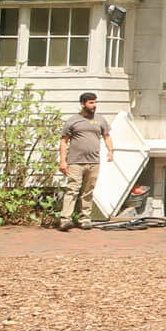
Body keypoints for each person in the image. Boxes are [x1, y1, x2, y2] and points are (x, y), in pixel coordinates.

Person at [56, 91, 113, 232]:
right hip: (75, 162)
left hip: (94, 162)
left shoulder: (100, 119)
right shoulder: (73, 121)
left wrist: (111, 151)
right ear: (83, 104)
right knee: (72, 190)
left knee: (88, 191)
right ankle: (65, 220)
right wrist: (63, 161)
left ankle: (85, 219)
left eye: (95, 102)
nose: (94, 105)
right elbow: (63, 141)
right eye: (91, 102)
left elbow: (106, 136)